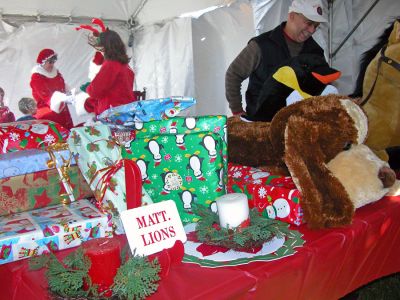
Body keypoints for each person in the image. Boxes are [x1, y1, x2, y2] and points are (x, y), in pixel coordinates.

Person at [225, 0, 328, 119]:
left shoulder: (316, 52)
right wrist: (237, 111)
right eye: (309, 23)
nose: (312, 30)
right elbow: (233, 74)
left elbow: (323, 88)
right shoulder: (261, 45)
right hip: (262, 127)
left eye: (316, 26)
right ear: (292, 16)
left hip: (300, 128)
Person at [76, 29, 137, 116]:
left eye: (100, 48)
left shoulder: (111, 64)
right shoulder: (125, 65)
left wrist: (88, 88)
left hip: (113, 113)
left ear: (106, 47)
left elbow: (95, 91)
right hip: (126, 110)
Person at [30, 48, 73, 129]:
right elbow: (46, 96)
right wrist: (63, 98)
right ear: (43, 62)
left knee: (69, 132)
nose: (52, 64)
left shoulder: (55, 72)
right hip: (48, 113)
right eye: (50, 62)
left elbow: (62, 85)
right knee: (58, 136)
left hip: (63, 109)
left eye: (53, 62)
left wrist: (69, 94)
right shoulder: (37, 77)